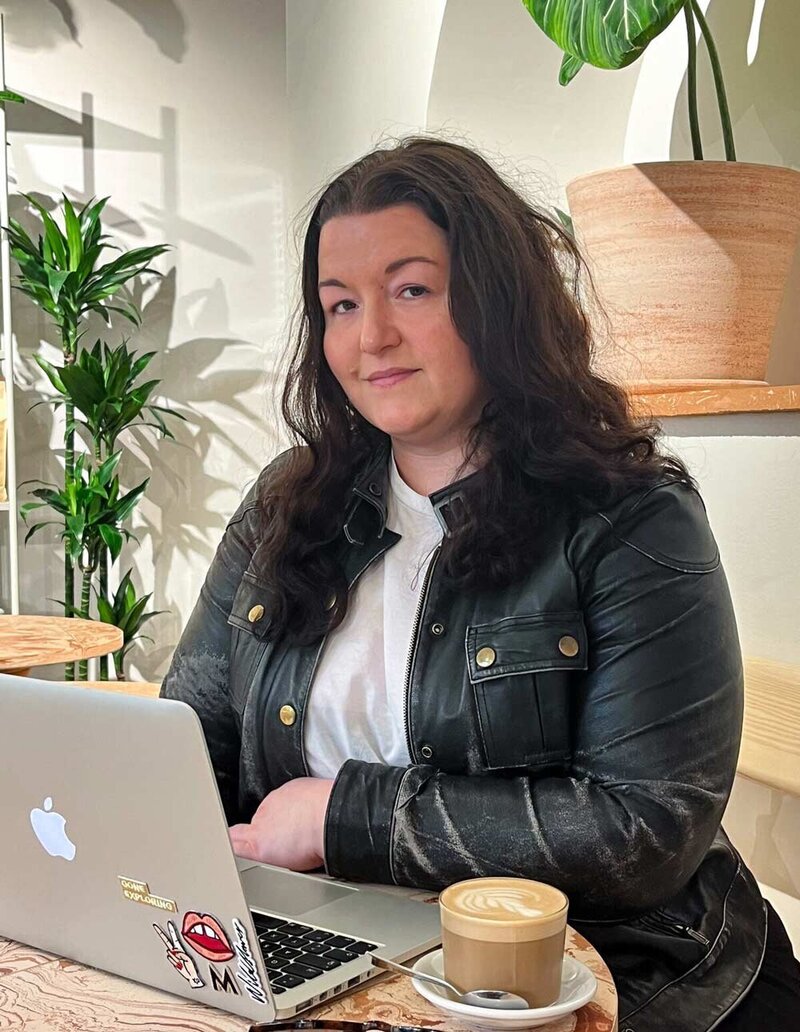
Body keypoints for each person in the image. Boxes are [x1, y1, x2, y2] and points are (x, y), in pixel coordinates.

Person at [161, 135, 800, 1031]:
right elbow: (194, 725)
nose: (369, 336)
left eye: (411, 289)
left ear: (498, 299)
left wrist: (342, 816)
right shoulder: (287, 501)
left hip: (619, 969)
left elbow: (643, 831)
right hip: (350, 944)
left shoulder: (629, 515)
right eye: (339, 304)